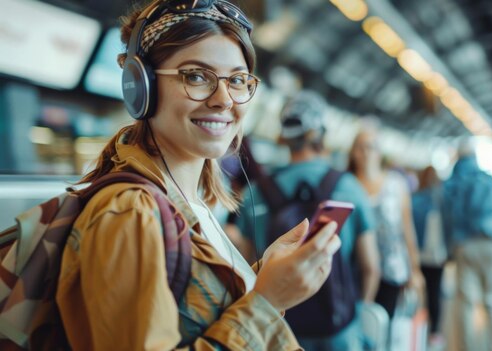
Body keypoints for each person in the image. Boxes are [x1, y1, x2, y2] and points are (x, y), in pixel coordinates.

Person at [56, 1, 342, 349]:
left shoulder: (193, 203)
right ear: (140, 86)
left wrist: (262, 277)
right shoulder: (131, 215)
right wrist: (267, 302)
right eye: (196, 76)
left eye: (237, 80)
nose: (224, 99)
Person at [236, 91, 380, 350]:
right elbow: (370, 266)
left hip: (277, 331)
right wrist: (357, 313)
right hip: (339, 332)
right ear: (321, 134)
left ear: (282, 136)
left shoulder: (254, 193)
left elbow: (247, 267)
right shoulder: (349, 187)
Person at [347, 128, 423, 321]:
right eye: (360, 147)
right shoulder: (345, 185)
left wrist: (415, 269)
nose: (366, 153)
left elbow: (407, 228)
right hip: (353, 271)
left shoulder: (396, 184)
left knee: (383, 326)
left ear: (379, 153)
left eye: (371, 147)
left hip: (391, 269)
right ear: (353, 152)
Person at [441, 139, 492, 351]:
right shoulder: (487, 179)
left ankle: (466, 348)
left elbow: (447, 217)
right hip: (490, 243)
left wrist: (449, 249)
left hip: (464, 244)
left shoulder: (452, 182)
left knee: (466, 304)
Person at [411, 166, 447, 348]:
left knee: (417, 294)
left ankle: (417, 329)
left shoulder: (414, 198)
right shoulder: (443, 199)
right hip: (436, 256)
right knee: (435, 292)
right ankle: (435, 333)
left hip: (418, 255)